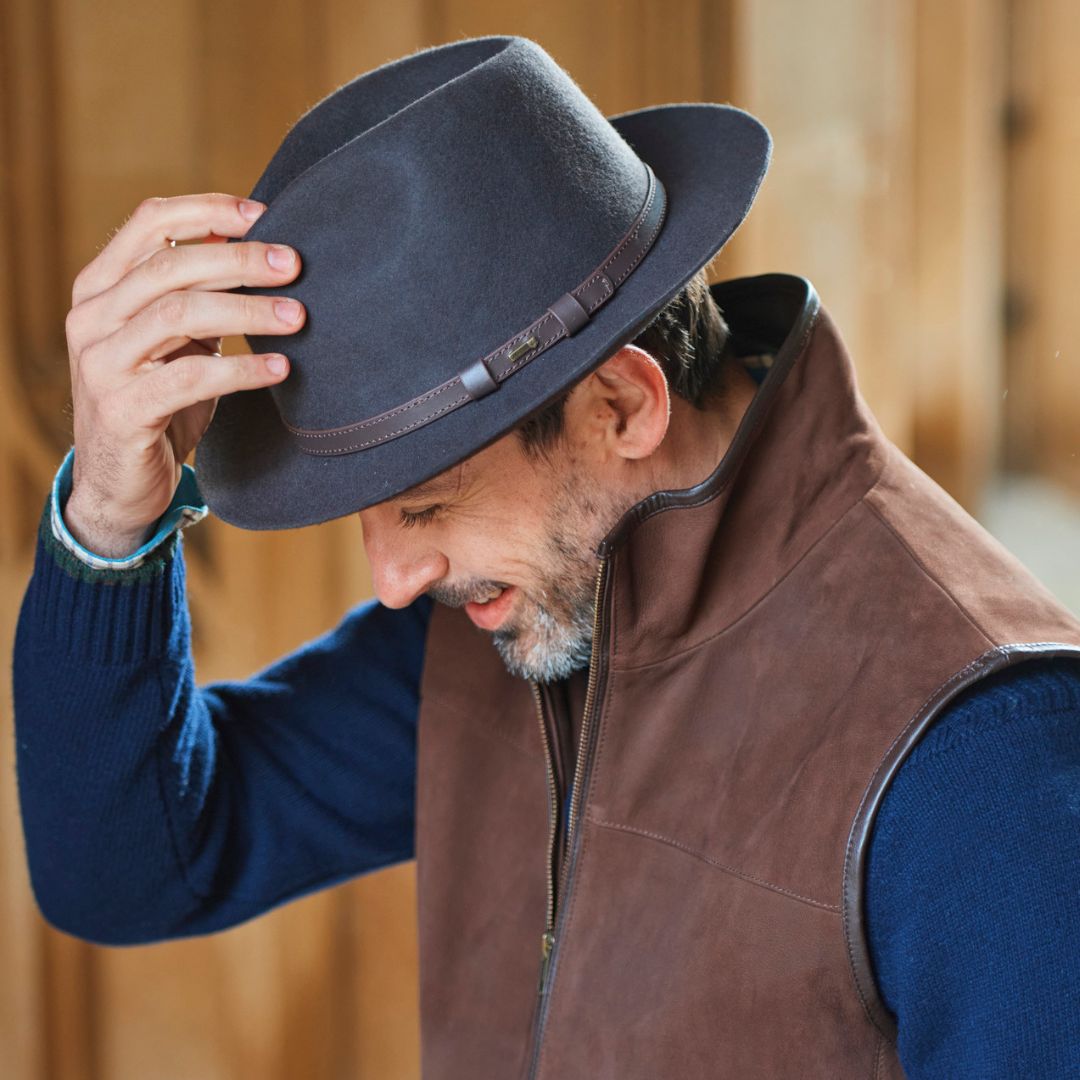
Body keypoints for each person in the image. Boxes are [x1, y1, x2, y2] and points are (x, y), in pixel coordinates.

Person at [13, 35, 1080, 1080]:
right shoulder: (515, 617)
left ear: (623, 403)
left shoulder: (986, 758)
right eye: (364, 515)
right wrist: (110, 520)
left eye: (427, 506)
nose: (390, 581)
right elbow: (128, 873)